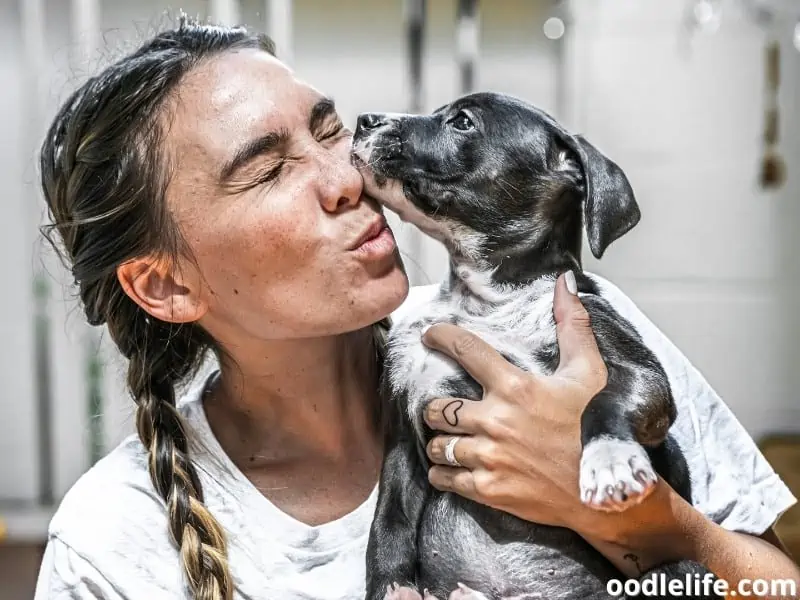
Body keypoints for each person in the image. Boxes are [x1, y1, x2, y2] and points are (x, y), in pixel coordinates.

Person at [33, 18, 797, 600]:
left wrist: (639, 523)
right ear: (166, 286)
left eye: (328, 129)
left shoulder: (568, 337)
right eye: (267, 169)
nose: (343, 176)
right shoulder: (111, 544)